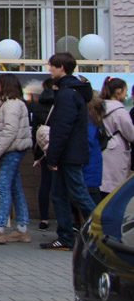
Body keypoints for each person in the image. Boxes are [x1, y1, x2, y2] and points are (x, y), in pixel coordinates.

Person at [40, 53, 96, 251]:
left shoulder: (66, 93)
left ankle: (104, 233)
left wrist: (53, 156)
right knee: (60, 194)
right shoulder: (73, 90)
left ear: (62, 68)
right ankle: (65, 238)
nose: (50, 70)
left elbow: (62, 127)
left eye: (52, 66)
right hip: (70, 152)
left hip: (68, 154)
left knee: (79, 194)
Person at [0, 74, 34, 244]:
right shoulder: (16, 104)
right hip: (15, 149)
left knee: (3, 186)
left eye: (0, 84)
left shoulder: (10, 106)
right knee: (15, 187)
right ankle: (22, 229)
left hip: (11, 150)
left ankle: (0, 228)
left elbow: (10, 131)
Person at [97, 78, 133, 197]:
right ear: (119, 91)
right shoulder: (120, 111)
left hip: (102, 149)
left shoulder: (100, 107)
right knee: (114, 191)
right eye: (125, 91)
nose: (127, 94)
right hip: (116, 152)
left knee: (104, 187)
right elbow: (131, 134)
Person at [29, 79, 56, 231]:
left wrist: (36, 152)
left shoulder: (38, 105)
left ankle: (44, 218)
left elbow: (35, 130)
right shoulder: (60, 103)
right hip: (58, 147)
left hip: (43, 148)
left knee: (45, 183)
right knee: (60, 184)